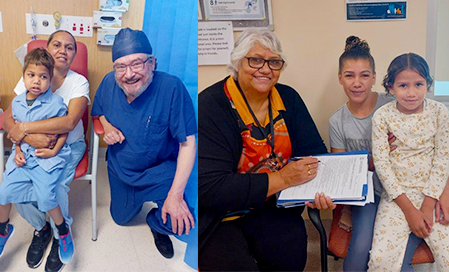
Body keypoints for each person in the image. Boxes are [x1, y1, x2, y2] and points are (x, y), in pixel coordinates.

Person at [198, 29, 333, 271]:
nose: (265, 69)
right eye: (256, 60)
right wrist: (281, 178)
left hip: (274, 206)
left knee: (290, 259)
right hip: (221, 215)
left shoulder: (288, 98)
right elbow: (210, 187)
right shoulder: (210, 105)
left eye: (274, 62)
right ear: (237, 62)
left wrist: (317, 188)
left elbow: (314, 153)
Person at [91, 28, 197, 259]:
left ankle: (156, 223)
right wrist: (107, 128)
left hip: (158, 172)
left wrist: (176, 196)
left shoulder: (171, 88)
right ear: (115, 69)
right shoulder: (109, 82)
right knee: (120, 219)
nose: (128, 74)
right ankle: (136, 204)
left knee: (181, 222)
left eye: (137, 64)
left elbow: (188, 144)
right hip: (121, 171)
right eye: (121, 66)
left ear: (152, 63)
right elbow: (98, 113)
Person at [329, 36, 426, 271]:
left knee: (398, 255)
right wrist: (377, 158)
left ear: (374, 77)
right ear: (340, 78)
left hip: (406, 188)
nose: (357, 83)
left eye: (364, 75)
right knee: (361, 246)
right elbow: (342, 173)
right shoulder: (337, 121)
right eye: (349, 75)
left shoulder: (395, 104)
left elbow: (425, 141)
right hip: (369, 193)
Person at [4, 30, 89, 272]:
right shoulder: (32, 76)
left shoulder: (78, 81)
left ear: (73, 55)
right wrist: (29, 138)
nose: (63, 50)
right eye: (57, 45)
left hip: (68, 146)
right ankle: (41, 229)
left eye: (70, 47)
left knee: (55, 185)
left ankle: (60, 233)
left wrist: (26, 129)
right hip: (30, 146)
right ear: (47, 49)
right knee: (18, 183)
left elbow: (69, 122)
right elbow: (9, 119)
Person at [368, 53, 449, 271]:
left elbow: (443, 157)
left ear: (428, 85)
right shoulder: (382, 116)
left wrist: (428, 204)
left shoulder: (440, 112)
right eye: (403, 85)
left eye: (418, 84)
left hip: (432, 192)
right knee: (380, 261)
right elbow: (382, 164)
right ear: (391, 87)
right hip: (396, 197)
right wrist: (410, 210)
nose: (412, 92)